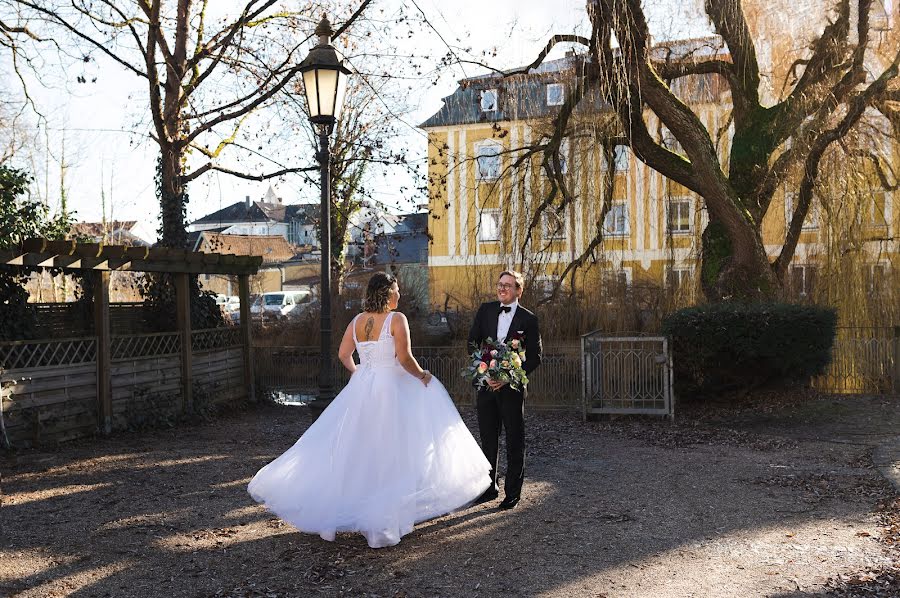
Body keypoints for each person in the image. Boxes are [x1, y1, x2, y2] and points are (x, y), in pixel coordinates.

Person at [248, 272, 491, 548]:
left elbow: (343, 354)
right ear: (387, 294)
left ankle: (354, 513)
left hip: (363, 389)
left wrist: (360, 373)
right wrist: (423, 376)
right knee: (390, 451)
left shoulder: (356, 321)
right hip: (389, 389)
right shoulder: (396, 319)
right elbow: (405, 358)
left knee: (361, 450)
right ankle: (385, 521)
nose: (399, 295)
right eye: (396, 290)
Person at [468, 270, 542, 510]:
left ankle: (513, 492)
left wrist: (510, 376)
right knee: (488, 438)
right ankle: (489, 487)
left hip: (512, 390)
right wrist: (486, 372)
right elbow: (471, 343)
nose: (502, 289)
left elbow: (535, 357)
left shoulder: (528, 319)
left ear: (519, 290)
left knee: (514, 440)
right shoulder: (486, 310)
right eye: (500, 285)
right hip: (486, 387)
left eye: (508, 286)